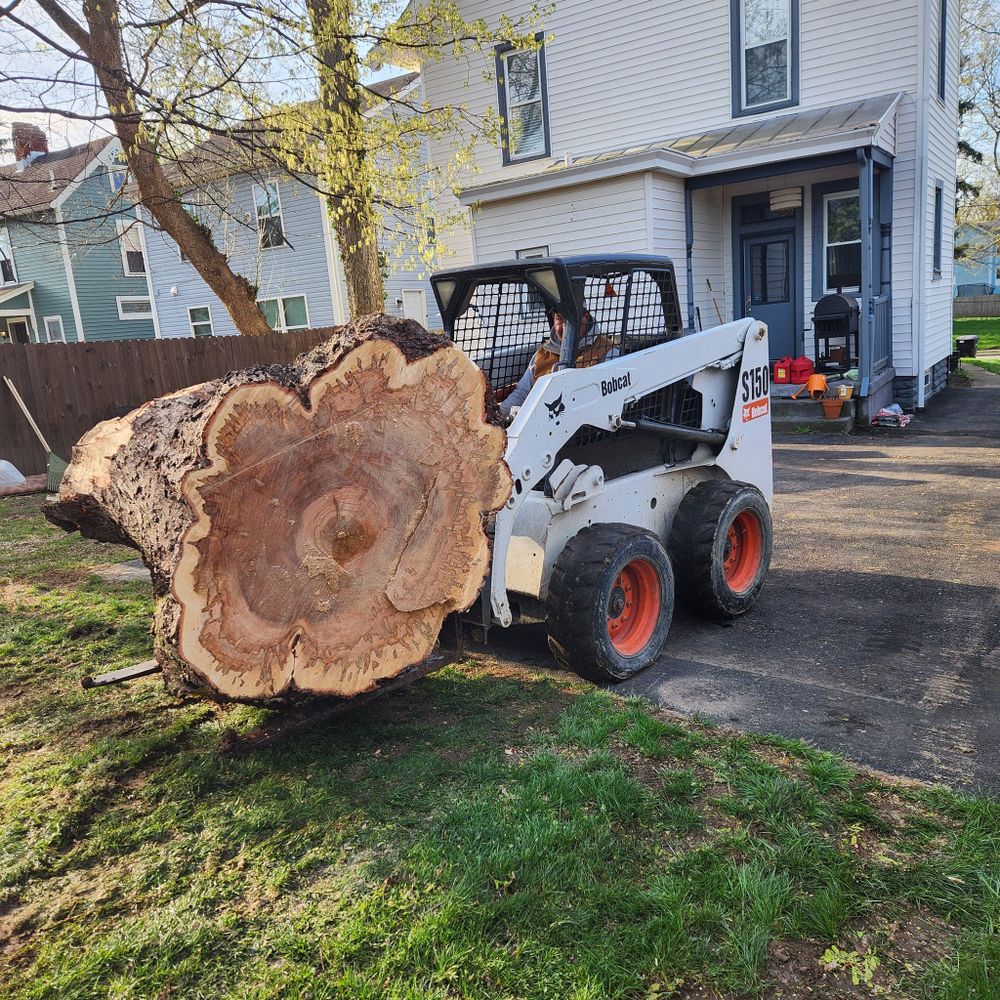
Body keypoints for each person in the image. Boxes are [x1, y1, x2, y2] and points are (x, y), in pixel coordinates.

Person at [500, 309, 616, 415]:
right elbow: (522, 393)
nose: (565, 327)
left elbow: (610, 402)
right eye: (559, 319)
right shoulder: (543, 354)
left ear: (585, 316)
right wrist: (501, 413)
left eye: (570, 320)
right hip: (540, 421)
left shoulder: (607, 352)